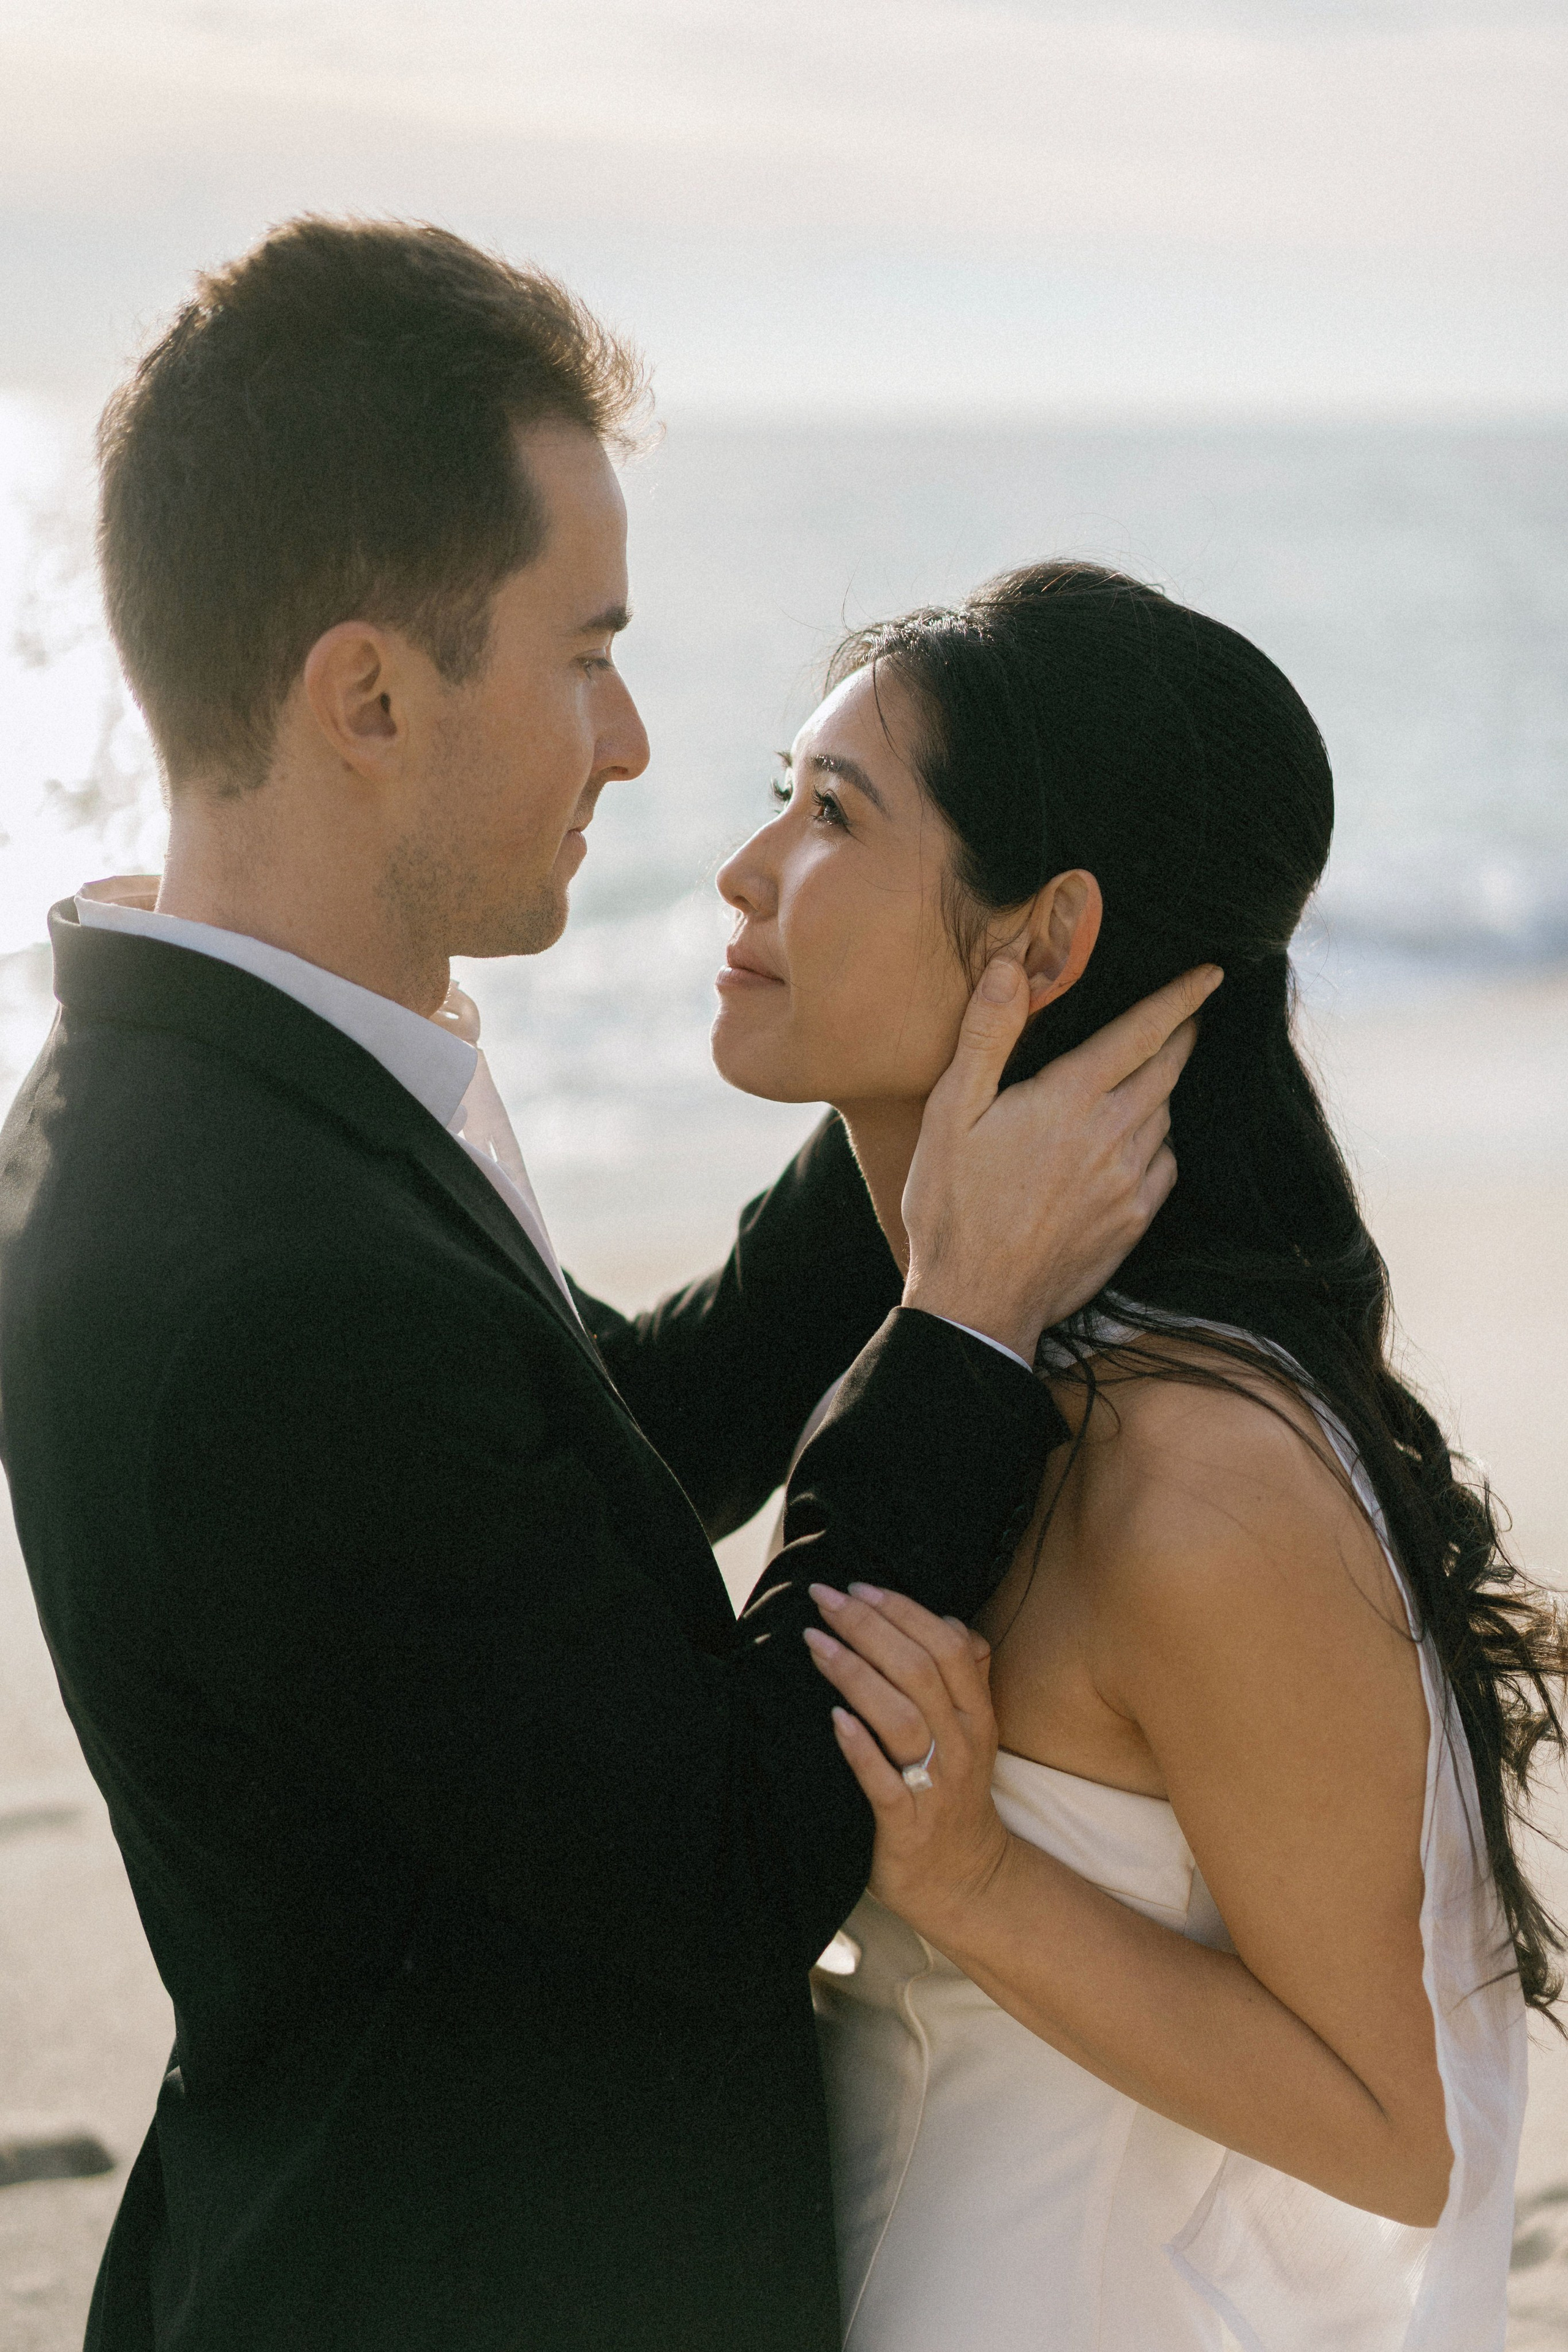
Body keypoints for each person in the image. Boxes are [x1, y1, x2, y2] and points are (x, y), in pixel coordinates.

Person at [0, 228, 1213, 2352]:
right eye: (586, 655)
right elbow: (735, 1854)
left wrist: (915, 1113)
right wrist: (964, 1335)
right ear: (366, 698)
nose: (639, 741)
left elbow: (572, 1471)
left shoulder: (210, 1092)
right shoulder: (263, 1285)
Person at [710, 561, 1567, 2351]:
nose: (745, 871)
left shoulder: (1193, 1473)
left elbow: (1405, 2136)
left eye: (831, 815)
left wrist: (980, 1886)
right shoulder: (949, 1350)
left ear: (1043, 943)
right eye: (773, 801)